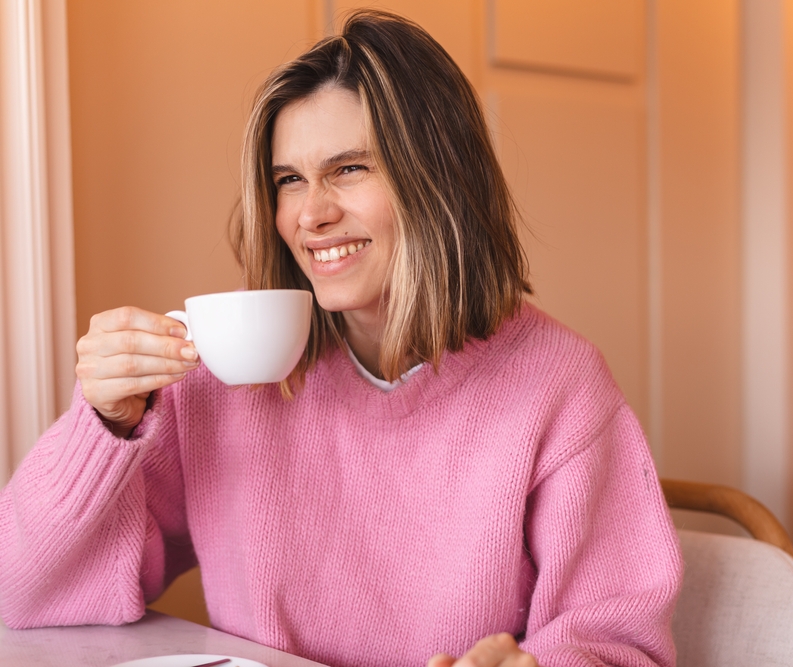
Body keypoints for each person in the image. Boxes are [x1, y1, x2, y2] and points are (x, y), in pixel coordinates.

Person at [0, 10, 682, 667]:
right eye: (288, 180)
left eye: (349, 169)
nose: (312, 214)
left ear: (439, 178)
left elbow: (619, 640)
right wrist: (103, 425)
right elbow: (26, 593)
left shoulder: (558, 383)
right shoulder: (220, 377)